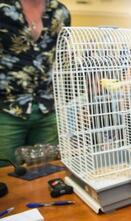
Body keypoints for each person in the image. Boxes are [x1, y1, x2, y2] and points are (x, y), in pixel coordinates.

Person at [0, 0, 71, 166]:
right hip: (6, 109)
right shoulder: (3, 8)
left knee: (48, 171)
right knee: (5, 175)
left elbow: (62, 57)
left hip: (48, 108)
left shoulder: (61, 12)